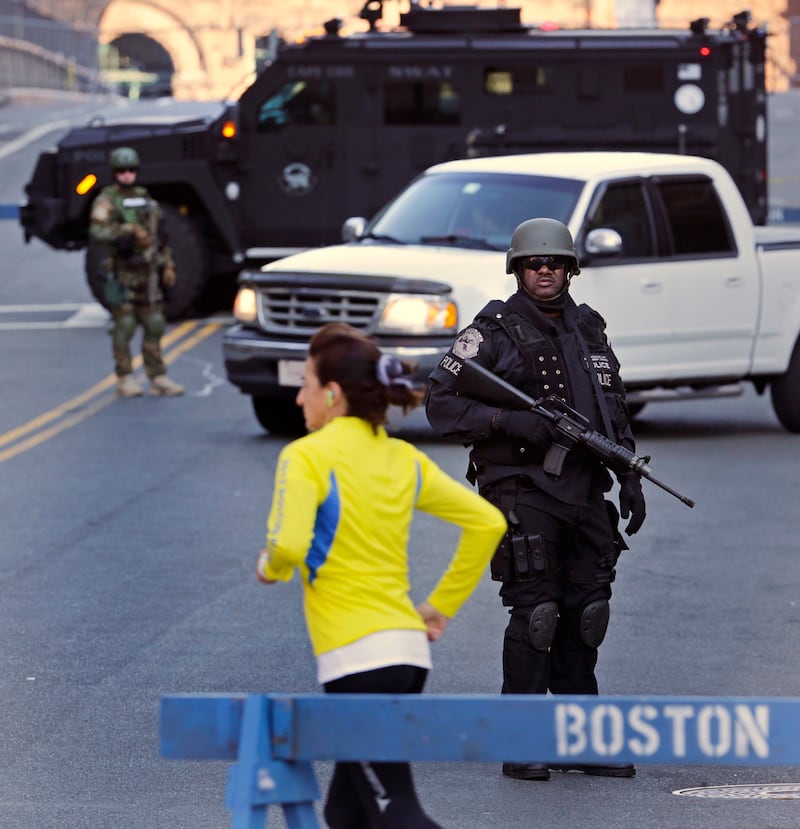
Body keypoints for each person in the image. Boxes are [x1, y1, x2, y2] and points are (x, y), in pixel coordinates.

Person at [256, 322, 506, 828]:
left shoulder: (306, 456)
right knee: (347, 813)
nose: (298, 396)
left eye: (304, 382)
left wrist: (272, 567)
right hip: (406, 653)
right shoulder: (401, 457)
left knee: (398, 811)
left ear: (331, 393)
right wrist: (441, 606)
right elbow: (488, 520)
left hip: (357, 660)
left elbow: (288, 544)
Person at [425, 218, 646, 781]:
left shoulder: (590, 326)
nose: (544, 270)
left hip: (585, 486)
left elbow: (613, 406)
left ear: (570, 268)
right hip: (522, 487)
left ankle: (580, 740)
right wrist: (512, 421)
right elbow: (441, 403)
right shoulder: (491, 329)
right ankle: (519, 741)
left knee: (587, 613)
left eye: (554, 263)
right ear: (517, 269)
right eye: (533, 263)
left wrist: (630, 475)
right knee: (537, 614)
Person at [89, 146, 185, 398]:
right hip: (123, 272)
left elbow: (159, 234)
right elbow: (98, 231)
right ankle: (125, 377)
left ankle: (158, 376)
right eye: (122, 171)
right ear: (114, 173)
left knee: (154, 323)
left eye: (131, 170)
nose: (127, 176)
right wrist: (126, 232)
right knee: (126, 325)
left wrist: (168, 264)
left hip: (149, 271)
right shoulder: (107, 200)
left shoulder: (145, 198)